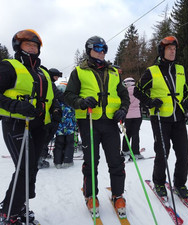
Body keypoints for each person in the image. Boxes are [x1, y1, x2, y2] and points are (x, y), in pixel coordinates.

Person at [0, 29, 60, 224]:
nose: (33, 48)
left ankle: (19, 204)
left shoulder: (43, 72)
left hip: (38, 126)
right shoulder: (9, 66)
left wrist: (55, 114)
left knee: (32, 168)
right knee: (24, 167)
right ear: (18, 46)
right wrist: (16, 105)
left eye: (35, 46)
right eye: (29, 45)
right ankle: (8, 212)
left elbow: (54, 99)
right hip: (17, 124)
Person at [64, 36, 130, 216]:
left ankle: (118, 195)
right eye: (97, 48)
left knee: (116, 161)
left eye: (104, 48)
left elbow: (124, 95)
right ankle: (91, 195)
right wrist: (81, 101)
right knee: (91, 161)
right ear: (89, 50)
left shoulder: (115, 72)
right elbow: (68, 95)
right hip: (89, 122)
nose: (101, 52)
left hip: (109, 122)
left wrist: (123, 109)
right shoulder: (79, 71)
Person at [134, 36, 188, 200]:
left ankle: (180, 183)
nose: (173, 52)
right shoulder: (152, 71)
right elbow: (138, 91)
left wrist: (186, 102)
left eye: (174, 49)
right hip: (160, 117)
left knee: (183, 154)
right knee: (162, 152)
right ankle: (159, 181)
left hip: (178, 117)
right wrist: (150, 102)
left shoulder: (181, 69)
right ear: (162, 51)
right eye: (169, 49)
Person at [38, 68, 63, 169]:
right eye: (56, 76)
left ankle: (42, 154)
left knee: (47, 136)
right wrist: (69, 99)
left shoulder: (50, 83)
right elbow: (56, 94)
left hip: (48, 114)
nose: (57, 79)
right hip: (44, 115)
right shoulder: (48, 83)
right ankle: (40, 158)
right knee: (44, 136)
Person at [53, 82, 76, 168]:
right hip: (70, 127)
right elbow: (74, 113)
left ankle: (57, 162)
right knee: (69, 143)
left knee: (59, 143)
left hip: (59, 127)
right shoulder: (70, 101)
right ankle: (68, 160)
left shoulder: (56, 102)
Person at [121, 77, 144, 159]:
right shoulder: (138, 90)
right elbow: (142, 101)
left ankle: (125, 150)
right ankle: (135, 153)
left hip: (127, 116)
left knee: (127, 133)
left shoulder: (124, 91)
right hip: (137, 115)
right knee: (135, 134)